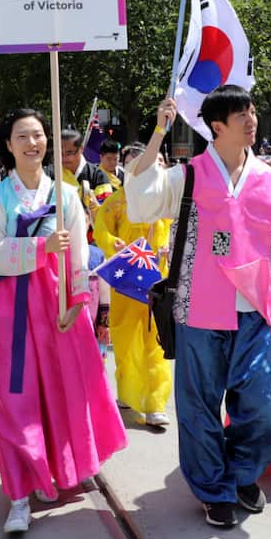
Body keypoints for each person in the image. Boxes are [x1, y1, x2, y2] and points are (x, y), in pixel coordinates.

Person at [127, 87, 271, 528]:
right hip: (199, 310)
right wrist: (158, 131)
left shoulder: (269, 178)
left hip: (254, 310)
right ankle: (213, 488)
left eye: (253, 111)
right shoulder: (189, 174)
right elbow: (141, 198)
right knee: (199, 407)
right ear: (217, 127)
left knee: (266, 409)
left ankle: (241, 472)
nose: (252, 119)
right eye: (242, 114)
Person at [0, 108, 126, 534]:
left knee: (64, 388)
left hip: (57, 303)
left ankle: (58, 468)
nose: (32, 143)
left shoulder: (66, 194)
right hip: (12, 308)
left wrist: (78, 299)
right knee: (14, 397)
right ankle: (19, 492)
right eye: (22, 136)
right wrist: (40, 248)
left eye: (38, 135)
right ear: (8, 144)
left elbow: (77, 251)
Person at [93, 143, 173, 428]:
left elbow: (176, 231)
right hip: (125, 280)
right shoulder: (115, 201)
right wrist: (108, 242)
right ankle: (127, 391)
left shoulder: (165, 201)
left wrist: (167, 248)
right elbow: (101, 229)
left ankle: (155, 403)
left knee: (156, 342)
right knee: (125, 342)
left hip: (157, 281)